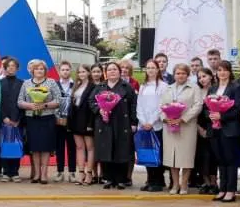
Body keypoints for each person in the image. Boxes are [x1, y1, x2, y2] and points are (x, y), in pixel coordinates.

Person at [160, 63, 202, 195]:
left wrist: (184, 118)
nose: (180, 76)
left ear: (188, 74)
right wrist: (165, 118)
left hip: (187, 127)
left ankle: (184, 184)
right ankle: (175, 184)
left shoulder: (194, 88)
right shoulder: (168, 88)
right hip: (170, 127)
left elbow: (198, 105)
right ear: (174, 75)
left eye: (183, 73)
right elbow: (161, 105)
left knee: (186, 157)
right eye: (178, 73)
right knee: (171, 158)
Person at [93, 62, 136, 190]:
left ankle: (121, 179)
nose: (112, 71)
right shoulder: (100, 87)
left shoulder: (127, 87)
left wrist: (134, 122)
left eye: (115, 69)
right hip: (105, 123)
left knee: (121, 151)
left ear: (119, 72)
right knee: (106, 150)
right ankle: (107, 178)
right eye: (110, 70)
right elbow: (91, 101)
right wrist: (99, 110)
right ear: (106, 72)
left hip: (122, 123)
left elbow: (133, 105)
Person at [205, 61, 240, 202]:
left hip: (230, 129)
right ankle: (222, 188)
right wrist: (210, 115)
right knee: (220, 159)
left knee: (230, 159)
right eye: (219, 70)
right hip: (215, 129)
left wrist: (222, 116)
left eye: (225, 70)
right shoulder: (212, 89)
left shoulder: (236, 88)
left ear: (230, 72)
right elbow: (206, 107)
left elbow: (238, 109)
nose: (222, 73)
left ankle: (231, 190)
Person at [18, 59, 61, 184]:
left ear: (45, 71)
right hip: (32, 119)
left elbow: (58, 100)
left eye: (41, 69)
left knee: (45, 147)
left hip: (47, 119)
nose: (39, 71)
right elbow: (20, 101)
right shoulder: (26, 83)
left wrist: (45, 105)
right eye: (36, 69)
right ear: (32, 71)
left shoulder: (51, 82)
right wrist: (30, 105)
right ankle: (36, 174)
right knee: (35, 147)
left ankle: (44, 174)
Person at [135, 59, 168, 191]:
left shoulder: (163, 86)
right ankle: (150, 179)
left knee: (157, 153)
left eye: (153, 68)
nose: (150, 70)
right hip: (144, 125)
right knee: (147, 153)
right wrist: (143, 121)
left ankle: (158, 181)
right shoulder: (143, 86)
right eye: (148, 68)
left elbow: (162, 106)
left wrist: (152, 121)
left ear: (158, 69)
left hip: (157, 124)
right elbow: (139, 105)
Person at [70, 64, 101, 186]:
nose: (81, 74)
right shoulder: (76, 86)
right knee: (79, 147)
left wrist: (90, 124)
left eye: (83, 72)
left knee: (90, 148)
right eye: (79, 72)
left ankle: (89, 173)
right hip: (76, 120)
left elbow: (93, 106)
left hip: (88, 121)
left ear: (88, 73)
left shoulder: (94, 87)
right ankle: (81, 172)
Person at [0, 58, 24, 181]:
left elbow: (24, 102)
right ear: (5, 68)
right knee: (4, 145)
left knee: (16, 145)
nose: (11, 68)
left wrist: (18, 119)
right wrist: (4, 117)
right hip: (4, 120)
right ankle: (6, 172)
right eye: (9, 66)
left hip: (17, 120)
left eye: (13, 66)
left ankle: (15, 172)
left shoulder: (22, 83)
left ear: (17, 68)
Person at [194, 67, 220, 195]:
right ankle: (205, 182)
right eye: (199, 77)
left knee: (213, 157)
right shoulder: (196, 91)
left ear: (211, 76)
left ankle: (214, 182)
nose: (202, 79)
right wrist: (199, 128)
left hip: (213, 127)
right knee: (201, 156)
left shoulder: (216, 89)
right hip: (198, 128)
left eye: (204, 76)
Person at [53, 62, 76, 183]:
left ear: (70, 70)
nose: (65, 72)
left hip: (72, 121)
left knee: (72, 147)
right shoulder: (55, 85)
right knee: (59, 147)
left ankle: (72, 172)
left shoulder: (76, 84)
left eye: (67, 69)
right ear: (59, 71)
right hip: (58, 121)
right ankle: (59, 171)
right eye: (63, 70)